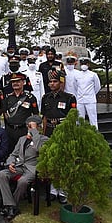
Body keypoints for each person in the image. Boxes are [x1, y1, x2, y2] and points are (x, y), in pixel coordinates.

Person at [0, 115, 48, 220]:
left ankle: (12, 206)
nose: (29, 128)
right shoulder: (22, 139)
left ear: (38, 127)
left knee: (22, 181)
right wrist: (10, 163)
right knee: (2, 174)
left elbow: (39, 149)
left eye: (32, 126)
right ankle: (10, 205)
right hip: (20, 166)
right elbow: (13, 154)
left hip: (33, 168)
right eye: (28, 126)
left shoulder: (44, 140)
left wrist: (34, 133)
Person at [41, 68, 76, 203]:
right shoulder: (46, 98)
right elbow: (44, 117)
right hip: (49, 130)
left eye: (55, 81)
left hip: (63, 130)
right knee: (52, 161)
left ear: (61, 83)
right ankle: (53, 191)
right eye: (50, 82)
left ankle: (63, 191)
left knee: (64, 160)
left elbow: (72, 117)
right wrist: (43, 134)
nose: (52, 84)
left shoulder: (69, 98)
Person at [0, 72, 39, 154]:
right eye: (13, 82)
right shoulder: (8, 97)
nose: (15, 84)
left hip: (23, 130)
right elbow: (4, 112)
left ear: (23, 82)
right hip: (10, 130)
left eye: (18, 81)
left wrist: (31, 131)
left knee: (24, 151)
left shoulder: (30, 97)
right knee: (10, 151)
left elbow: (35, 115)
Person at [74, 57, 101, 128]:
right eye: (82, 63)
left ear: (88, 64)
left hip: (90, 100)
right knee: (79, 119)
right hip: (80, 100)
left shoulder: (93, 74)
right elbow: (76, 87)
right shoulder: (77, 75)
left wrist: (91, 94)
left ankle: (95, 135)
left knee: (93, 119)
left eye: (85, 63)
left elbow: (97, 87)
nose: (83, 65)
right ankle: (80, 134)